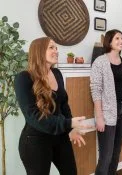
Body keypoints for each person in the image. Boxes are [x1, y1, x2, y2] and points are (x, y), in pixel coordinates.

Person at [14, 37, 92, 175]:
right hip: (35, 141)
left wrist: (70, 128)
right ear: (38, 51)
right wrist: (68, 124)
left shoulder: (57, 73)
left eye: (56, 48)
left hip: (60, 137)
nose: (56, 50)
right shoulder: (23, 78)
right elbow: (33, 116)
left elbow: (63, 105)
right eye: (51, 47)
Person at [90, 29, 122, 175]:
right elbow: (95, 90)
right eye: (117, 38)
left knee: (116, 153)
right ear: (109, 41)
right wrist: (99, 117)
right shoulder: (100, 62)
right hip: (107, 114)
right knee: (106, 156)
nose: (121, 41)